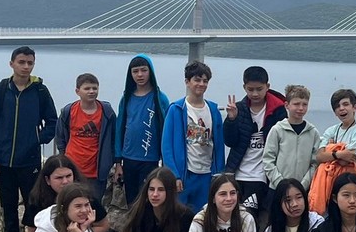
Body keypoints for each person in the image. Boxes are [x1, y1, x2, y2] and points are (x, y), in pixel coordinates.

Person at [0, 46, 58, 232]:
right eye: (21, 62)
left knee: (34, 205)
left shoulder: (40, 91)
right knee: (8, 206)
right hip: (3, 161)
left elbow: (52, 121)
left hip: (30, 161)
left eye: (30, 63)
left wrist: (38, 139)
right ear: (12, 64)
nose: (26, 66)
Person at [222, 65, 286, 220]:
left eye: (259, 89)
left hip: (261, 175)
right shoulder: (239, 108)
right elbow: (230, 141)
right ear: (244, 87)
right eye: (250, 89)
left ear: (267, 86)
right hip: (238, 173)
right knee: (232, 217)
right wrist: (231, 119)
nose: (255, 94)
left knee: (249, 217)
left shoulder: (278, 110)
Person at [161, 60, 225, 213]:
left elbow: (219, 146)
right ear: (187, 82)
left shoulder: (213, 110)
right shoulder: (176, 109)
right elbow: (166, 146)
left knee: (203, 216)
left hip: (207, 175)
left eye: (205, 81)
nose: (201, 84)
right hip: (185, 175)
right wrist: (175, 175)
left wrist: (219, 174)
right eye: (197, 80)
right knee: (178, 216)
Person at [112, 54, 171, 205]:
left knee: (147, 201)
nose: (139, 75)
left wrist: (166, 160)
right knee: (131, 201)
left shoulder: (160, 98)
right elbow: (119, 129)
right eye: (135, 71)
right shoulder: (126, 98)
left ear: (150, 72)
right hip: (129, 158)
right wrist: (118, 161)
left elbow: (167, 131)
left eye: (144, 70)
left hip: (150, 159)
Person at [54, 72, 117, 200]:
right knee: (71, 202)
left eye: (94, 88)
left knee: (94, 204)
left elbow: (114, 138)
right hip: (72, 168)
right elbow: (60, 136)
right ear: (77, 91)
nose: (91, 91)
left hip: (97, 171)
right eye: (87, 88)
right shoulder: (68, 111)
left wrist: (115, 162)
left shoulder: (107, 112)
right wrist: (63, 157)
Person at [263, 84, 321, 192]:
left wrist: (303, 185)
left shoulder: (313, 133)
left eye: (304, 104)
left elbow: (315, 163)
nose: (301, 108)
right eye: (296, 104)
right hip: (277, 189)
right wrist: (280, 183)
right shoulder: (277, 130)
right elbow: (268, 160)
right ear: (287, 105)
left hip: (303, 190)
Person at [316, 87, 356, 179]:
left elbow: (344, 161)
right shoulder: (331, 131)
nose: (341, 108)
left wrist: (330, 148)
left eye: (345, 104)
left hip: (352, 180)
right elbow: (319, 157)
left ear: (354, 107)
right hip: (331, 180)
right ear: (335, 112)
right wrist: (339, 154)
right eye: (337, 106)